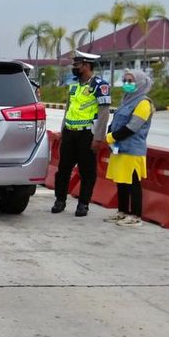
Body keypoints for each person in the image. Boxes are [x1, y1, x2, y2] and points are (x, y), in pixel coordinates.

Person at [52, 50, 111, 217]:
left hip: (87, 135)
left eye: (77, 65)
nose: (74, 68)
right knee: (63, 169)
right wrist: (63, 130)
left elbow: (104, 113)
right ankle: (60, 200)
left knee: (87, 171)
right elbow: (68, 109)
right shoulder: (74, 85)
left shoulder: (100, 85)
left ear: (86, 66)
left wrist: (98, 138)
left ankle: (83, 204)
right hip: (70, 133)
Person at [103, 71, 154, 227]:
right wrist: (110, 134)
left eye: (130, 81)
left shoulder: (144, 103)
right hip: (119, 148)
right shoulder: (127, 100)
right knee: (121, 182)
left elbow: (132, 127)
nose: (127, 83)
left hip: (133, 150)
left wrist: (111, 137)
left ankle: (136, 216)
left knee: (133, 183)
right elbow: (116, 121)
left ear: (140, 83)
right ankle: (122, 212)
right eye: (125, 80)